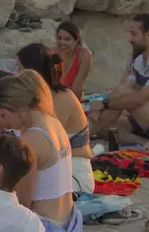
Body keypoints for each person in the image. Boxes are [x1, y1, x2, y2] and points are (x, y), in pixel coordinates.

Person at [0, 71, 84, 232]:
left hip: (47, 231)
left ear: (19, 108)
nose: (2, 122)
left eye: (2, 115)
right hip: (69, 225)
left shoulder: (31, 141)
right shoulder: (53, 122)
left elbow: (23, 203)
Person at [85, 12, 149, 147]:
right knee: (107, 127)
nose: (130, 39)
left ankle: (82, 139)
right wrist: (101, 104)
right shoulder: (140, 60)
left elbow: (140, 98)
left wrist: (104, 105)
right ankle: (145, 142)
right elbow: (124, 87)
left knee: (127, 99)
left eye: (134, 34)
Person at [15, 43, 93, 195]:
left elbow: (42, 144)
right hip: (53, 170)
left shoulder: (61, 99)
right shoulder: (38, 98)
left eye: (19, 70)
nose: (15, 76)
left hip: (74, 175)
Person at [55, 21, 92, 101]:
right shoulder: (52, 55)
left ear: (76, 40)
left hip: (72, 101)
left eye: (67, 39)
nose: (62, 42)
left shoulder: (83, 54)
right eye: (59, 38)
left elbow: (77, 89)